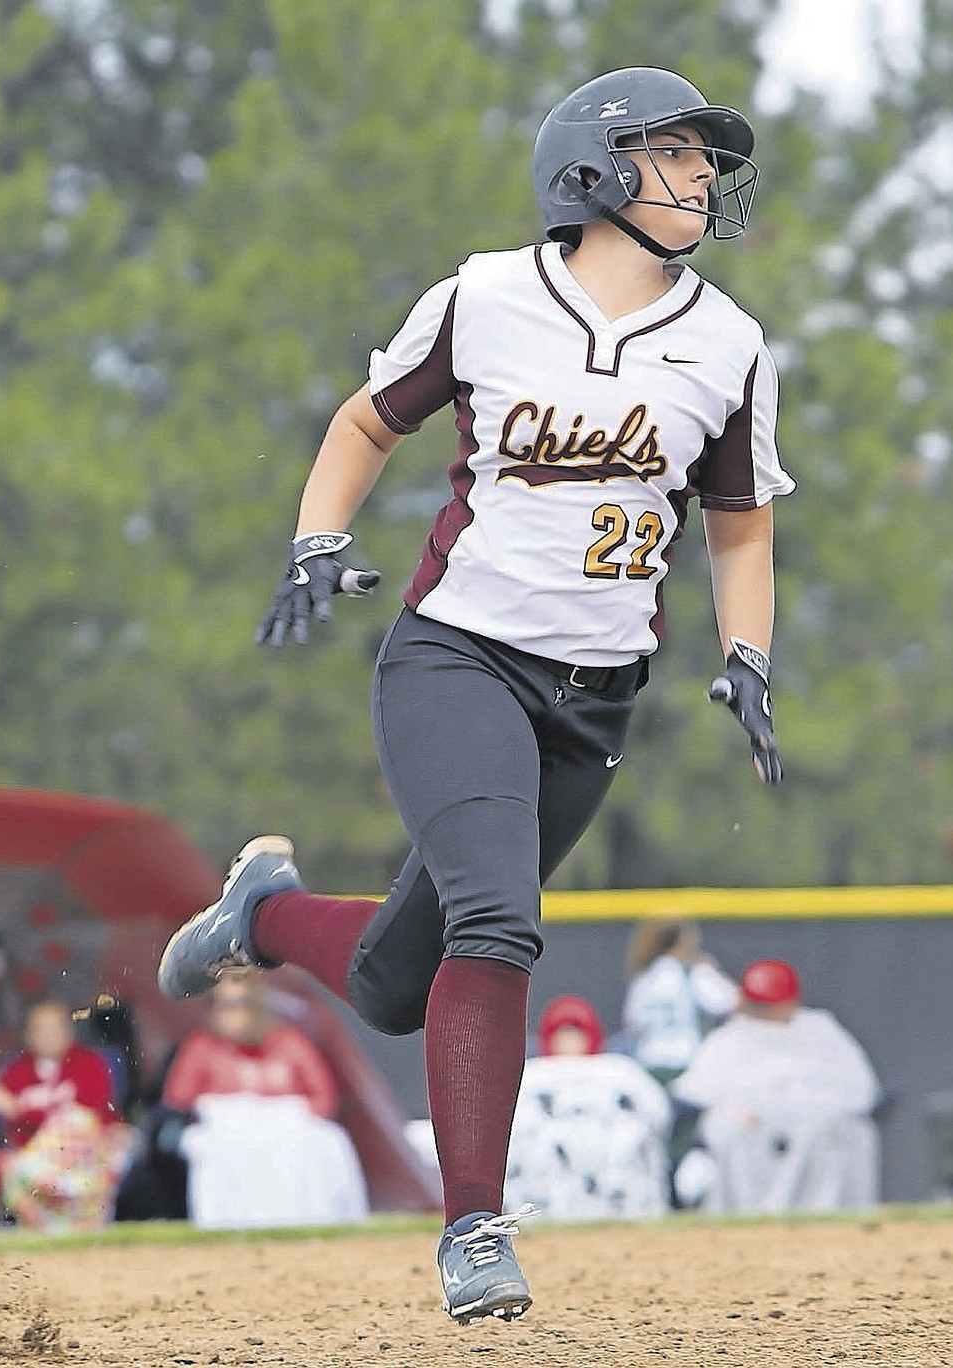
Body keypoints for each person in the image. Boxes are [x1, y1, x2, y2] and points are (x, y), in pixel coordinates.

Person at [158, 65, 794, 1324]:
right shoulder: (489, 295)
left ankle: (266, 913)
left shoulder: (728, 341)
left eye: (707, 159)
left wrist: (749, 652)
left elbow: (738, 526)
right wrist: (314, 541)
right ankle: (474, 1231)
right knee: (498, 923)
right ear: (594, 171)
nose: (704, 178)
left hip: (597, 694)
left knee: (404, 981)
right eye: (674, 154)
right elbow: (361, 427)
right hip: (459, 656)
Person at [160, 970, 368, 1230]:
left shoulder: (287, 1041)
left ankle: (312, 1221)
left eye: (239, 1005)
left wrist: (280, 1118)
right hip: (228, 1131)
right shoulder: (203, 1046)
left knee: (328, 1142)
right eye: (223, 1005)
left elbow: (324, 1097)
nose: (231, 1015)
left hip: (287, 1129)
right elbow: (177, 1099)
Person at [670, 959, 881, 1213]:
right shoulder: (729, 1038)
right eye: (757, 1002)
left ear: (792, 1000)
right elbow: (692, 1097)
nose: (762, 1010)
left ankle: (833, 1218)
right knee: (730, 1125)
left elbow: (864, 1093)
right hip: (749, 1140)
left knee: (830, 1126)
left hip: (821, 1135)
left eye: (768, 1003)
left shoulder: (820, 1030)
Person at [504, 996, 672, 1222]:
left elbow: (659, 1116)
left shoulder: (621, 1071)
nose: (569, 1041)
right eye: (561, 1033)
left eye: (576, 1033)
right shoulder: (529, 1075)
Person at [0, 999, 131, 1231]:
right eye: (42, 1029)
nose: (51, 1035)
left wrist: (22, 1110)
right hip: (37, 1163)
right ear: (29, 1035)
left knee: (73, 1123)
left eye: (57, 1027)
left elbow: (89, 1114)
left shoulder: (88, 1063)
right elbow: (10, 1127)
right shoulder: (17, 1071)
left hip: (82, 1158)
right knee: (8, 1165)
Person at [621, 919, 739, 1085]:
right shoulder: (693, 972)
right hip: (687, 1063)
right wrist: (713, 972)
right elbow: (730, 1002)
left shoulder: (644, 978)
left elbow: (632, 1025)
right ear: (683, 940)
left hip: (649, 1062)